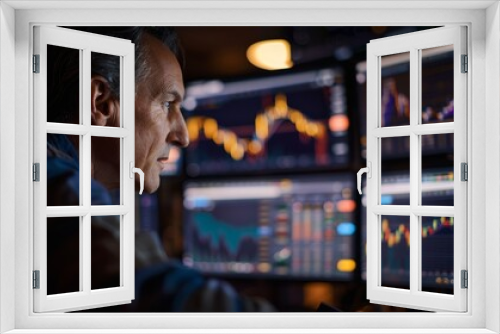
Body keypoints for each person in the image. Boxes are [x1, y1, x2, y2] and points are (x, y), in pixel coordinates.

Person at [47, 26, 274, 312]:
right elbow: (159, 294)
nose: (183, 135)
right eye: (167, 103)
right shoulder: (46, 182)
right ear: (101, 103)